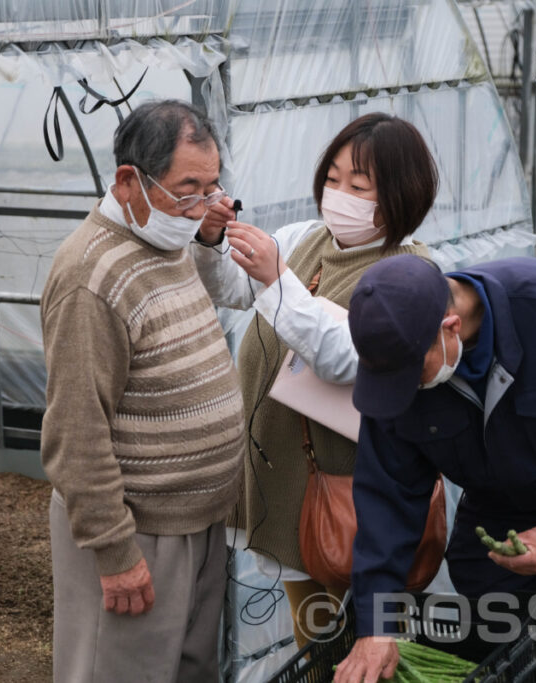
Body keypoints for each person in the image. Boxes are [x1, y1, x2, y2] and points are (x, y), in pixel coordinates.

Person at [334, 254, 536, 683]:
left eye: (412, 376)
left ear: (450, 328)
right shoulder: (396, 361)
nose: (403, 389)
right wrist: (377, 622)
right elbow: (386, 496)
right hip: (498, 515)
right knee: (498, 656)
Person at [192, 113, 437, 650]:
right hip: (287, 470)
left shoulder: (409, 273)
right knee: (314, 631)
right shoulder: (305, 237)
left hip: (345, 486)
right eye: (331, 178)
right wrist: (212, 242)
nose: (338, 193)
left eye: (358, 184)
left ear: (400, 193)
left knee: (350, 628)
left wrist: (278, 280)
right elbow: (235, 289)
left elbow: (348, 358)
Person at [39, 100, 246, 682]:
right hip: (139, 534)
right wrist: (115, 552)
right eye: (188, 190)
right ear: (129, 180)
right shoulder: (90, 276)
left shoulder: (166, 237)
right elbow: (75, 431)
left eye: (212, 187)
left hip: (196, 525)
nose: (202, 205)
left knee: (186, 670)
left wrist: (202, 232)